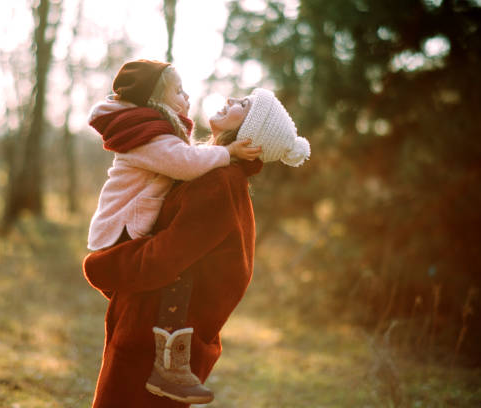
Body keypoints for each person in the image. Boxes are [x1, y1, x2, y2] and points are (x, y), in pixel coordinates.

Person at [83, 87, 311, 407]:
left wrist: (104, 266)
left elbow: (166, 257)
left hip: (156, 341)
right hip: (152, 332)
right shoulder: (208, 171)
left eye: (243, 105)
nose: (231, 100)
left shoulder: (219, 182)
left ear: (249, 135)